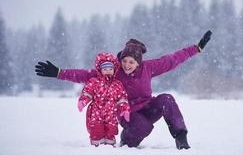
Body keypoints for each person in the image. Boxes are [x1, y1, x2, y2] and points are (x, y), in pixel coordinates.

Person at [35, 30, 212, 150]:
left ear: (138, 62)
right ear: (121, 59)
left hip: (147, 107)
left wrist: (196, 48)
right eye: (125, 60)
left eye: (132, 62)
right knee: (143, 126)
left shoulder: (149, 67)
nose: (127, 65)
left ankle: (181, 138)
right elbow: (86, 75)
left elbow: (173, 59)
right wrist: (59, 73)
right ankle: (127, 142)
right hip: (127, 113)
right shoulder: (114, 71)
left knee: (167, 99)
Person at [78, 52, 130, 147]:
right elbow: (87, 92)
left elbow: (122, 98)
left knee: (111, 129)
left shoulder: (117, 84)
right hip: (96, 111)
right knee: (96, 129)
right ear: (100, 70)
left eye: (110, 69)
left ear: (114, 70)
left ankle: (110, 146)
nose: (108, 71)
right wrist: (83, 101)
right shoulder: (94, 82)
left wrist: (124, 109)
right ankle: (96, 146)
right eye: (105, 69)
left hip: (111, 112)